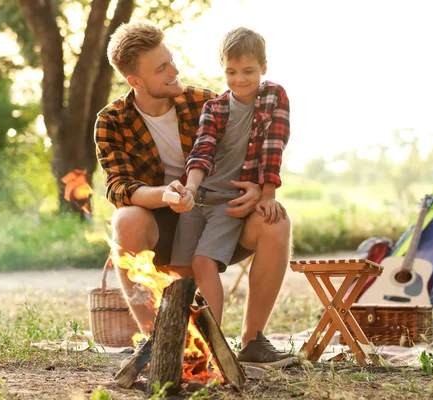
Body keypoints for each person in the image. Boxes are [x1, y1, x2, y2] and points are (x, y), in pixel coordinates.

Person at [95, 22, 296, 367]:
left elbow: (263, 145)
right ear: (136, 81)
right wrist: (166, 195)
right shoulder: (112, 120)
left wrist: (257, 190)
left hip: (221, 214)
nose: (175, 71)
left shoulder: (207, 102)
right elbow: (118, 188)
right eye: (162, 69)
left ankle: (252, 341)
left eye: (170, 60)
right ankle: (157, 343)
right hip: (163, 226)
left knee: (274, 220)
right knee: (125, 219)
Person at [166, 27, 290, 335]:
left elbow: (274, 145)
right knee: (181, 270)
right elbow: (202, 150)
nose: (240, 79)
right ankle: (179, 341)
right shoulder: (215, 107)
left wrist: (268, 195)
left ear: (263, 67)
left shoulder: (274, 97)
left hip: (228, 202)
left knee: (204, 263)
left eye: (248, 71)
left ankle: (212, 342)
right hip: (200, 197)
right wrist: (190, 189)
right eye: (231, 72)